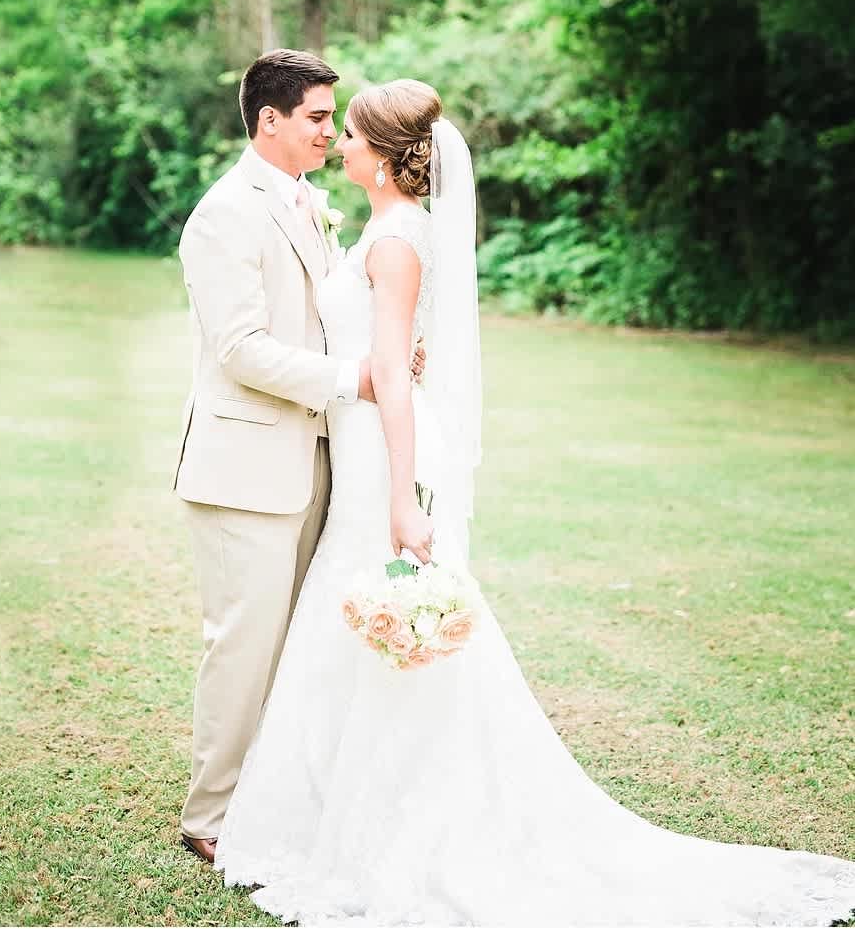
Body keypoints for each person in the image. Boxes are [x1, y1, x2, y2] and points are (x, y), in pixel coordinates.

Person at [215, 77, 855, 927]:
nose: (342, 144)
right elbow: (386, 356)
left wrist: (403, 496)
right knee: (358, 624)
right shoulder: (385, 227)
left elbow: (395, 383)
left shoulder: (396, 241)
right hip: (366, 441)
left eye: (355, 135)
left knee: (387, 618)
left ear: (388, 158)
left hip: (385, 452)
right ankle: (337, 806)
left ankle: (402, 824)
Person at [172, 50, 425, 864]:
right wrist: (356, 377)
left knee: (291, 649)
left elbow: (325, 319)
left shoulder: (310, 204)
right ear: (269, 119)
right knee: (243, 646)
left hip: (317, 459)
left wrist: (388, 357)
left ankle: (272, 798)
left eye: (331, 117)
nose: (329, 130)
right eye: (317, 116)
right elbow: (241, 348)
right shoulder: (224, 214)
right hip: (243, 466)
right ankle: (211, 815)